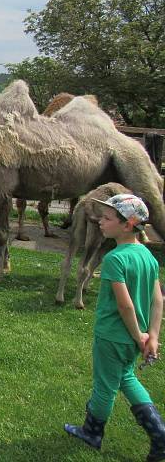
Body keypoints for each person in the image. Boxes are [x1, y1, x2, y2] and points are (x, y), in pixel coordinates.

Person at [64, 194, 164, 460]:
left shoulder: (114, 260)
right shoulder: (148, 256)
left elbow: (125, 306)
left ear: (128, 225)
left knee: (105, 386)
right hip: (134, 338)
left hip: (113, 336)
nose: (99, 221)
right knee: (126, 377)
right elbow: (158, 300)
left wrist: (138, 335)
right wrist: (150, 336)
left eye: (107, 219)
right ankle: (159, 432)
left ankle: (92, 432)